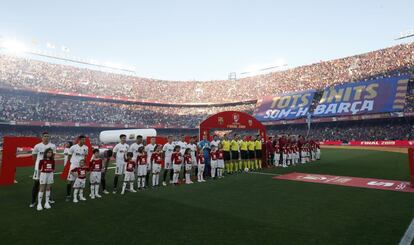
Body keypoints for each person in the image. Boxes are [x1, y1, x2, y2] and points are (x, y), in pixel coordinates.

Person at [30, 132, 57, 208]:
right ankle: (33, 200)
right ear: (42, 137)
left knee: (49, 184)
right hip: (39, 167)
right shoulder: (37, 146)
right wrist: (38, 164)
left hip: (48, 167)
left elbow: (53, 156)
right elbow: (34, 155)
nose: (46, 137)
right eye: (45, 136)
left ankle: (48, 199)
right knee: (36, 183)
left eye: (48, 136)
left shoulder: (53, 146)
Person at [66, 135, 88, 202]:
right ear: (79, 140)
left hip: (81, 167)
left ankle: (79, 195)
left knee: (80, 180)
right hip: (74, 165)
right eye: (83, 140)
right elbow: (69, 156)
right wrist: (71, 163)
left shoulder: (86, 147)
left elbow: (85, 156)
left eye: (85, 140)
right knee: (70, 180)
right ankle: (68, 195)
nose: (84, 141)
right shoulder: (73, 147)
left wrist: (84, 165)